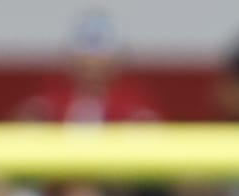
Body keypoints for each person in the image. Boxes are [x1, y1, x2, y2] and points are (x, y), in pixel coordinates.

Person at [19, 10, 162, 124]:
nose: (92, 63)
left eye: (101, 54)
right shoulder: (46, 105)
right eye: (85, 54)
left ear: (117, 60)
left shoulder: (135, 109)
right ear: (70, 58)